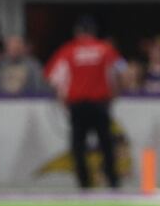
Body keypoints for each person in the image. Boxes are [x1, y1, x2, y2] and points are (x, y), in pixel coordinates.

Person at [44, 17, 124, 189]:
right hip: (100, 104)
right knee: (106, 144)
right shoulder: (105, 49)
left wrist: (63, 100)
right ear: (94, 31)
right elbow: (122, 69)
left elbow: (52, 77)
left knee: (78, 146)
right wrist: (115, 93)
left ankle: (83, 182)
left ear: (77, 32)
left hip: (77, 106)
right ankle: (112, 180)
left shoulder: (68, 51)